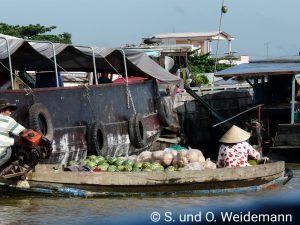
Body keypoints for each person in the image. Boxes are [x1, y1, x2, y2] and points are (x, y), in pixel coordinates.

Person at [0, 99, 27, 167]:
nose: (10, 113)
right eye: (9, 110)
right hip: (1, 156)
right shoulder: (7, 120)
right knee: (19, 147)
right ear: (2, 110)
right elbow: (25, 132)